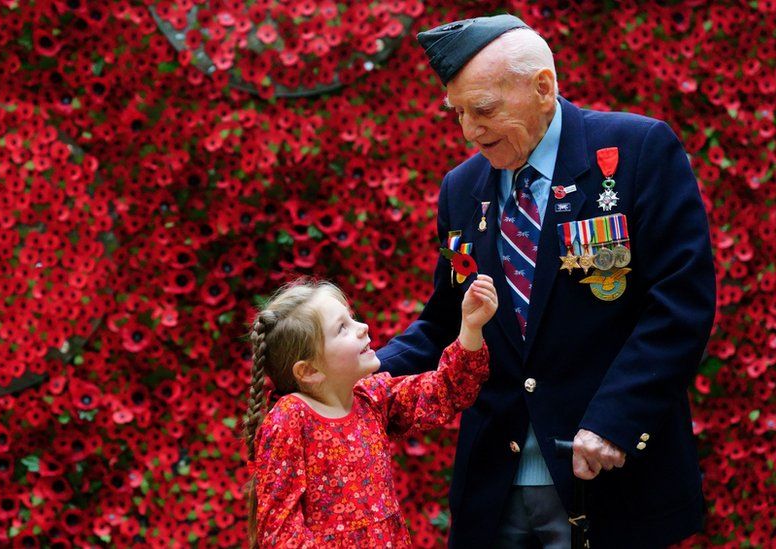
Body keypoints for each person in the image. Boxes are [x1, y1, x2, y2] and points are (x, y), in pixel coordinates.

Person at [377, 14, 716, 549]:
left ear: (542, 87)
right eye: (458, 113)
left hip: (607, 476)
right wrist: (364, 370)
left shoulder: (638, 151)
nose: (469, 131)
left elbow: (679, 304)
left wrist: (614, 419)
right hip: (494, 487)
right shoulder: (462, 189)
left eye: (483, 110)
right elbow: (447, 317)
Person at [243, 275, 498, 547]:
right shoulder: (290, 419)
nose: (363, 327)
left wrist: (470, 327)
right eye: (342, 328)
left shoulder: (372, 397)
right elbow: (280, 532)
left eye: (352, 318)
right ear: (309, 371)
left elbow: (446, 390)